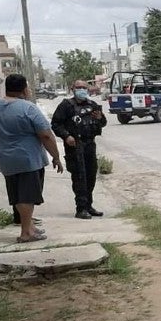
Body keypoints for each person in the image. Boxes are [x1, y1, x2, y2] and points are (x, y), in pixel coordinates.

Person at [0, 74, 64, 242]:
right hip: (28, 160)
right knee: (27, 196)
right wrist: (56, 157)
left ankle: (29, 226)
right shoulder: (28, 108)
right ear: (24, 89)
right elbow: (46, 135)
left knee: (17, 195)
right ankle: (26, 232)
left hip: (6, 160)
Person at [51, 80, 108, 219]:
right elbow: (56, 124)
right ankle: (81, 208)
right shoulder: (66, 105)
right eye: (78, 87)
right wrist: (66, 136)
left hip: (89, 144)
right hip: (75, 146)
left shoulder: (92, 105)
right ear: (72, 89)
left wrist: (100, 118)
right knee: (79, 177)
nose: (81, 89)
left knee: (91, 175)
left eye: (84, 87)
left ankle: (88, 205)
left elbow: (103, 122)